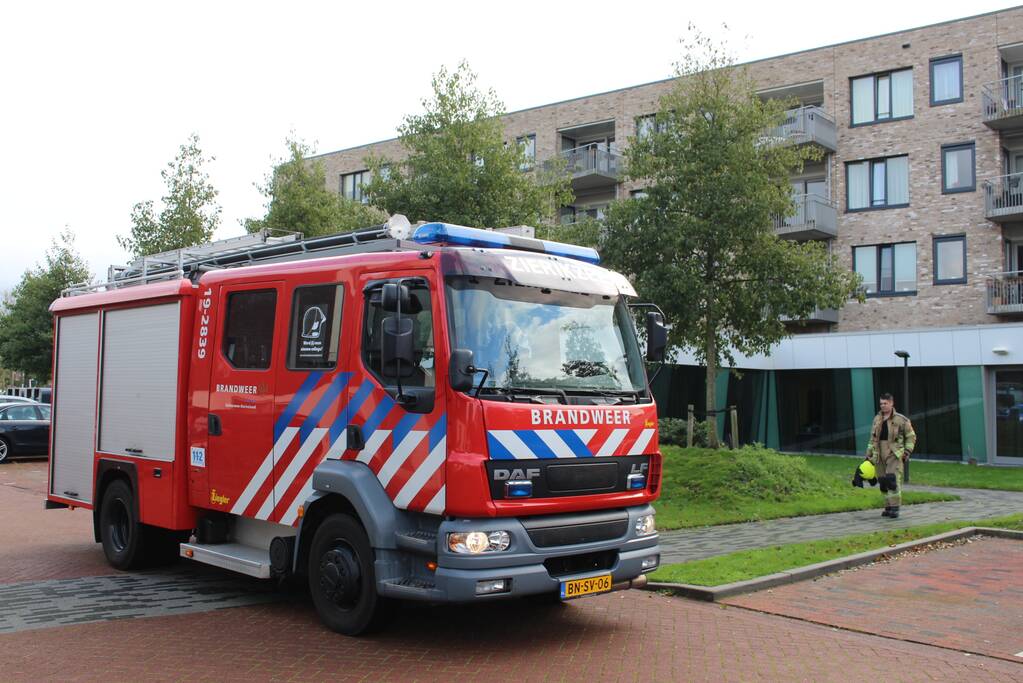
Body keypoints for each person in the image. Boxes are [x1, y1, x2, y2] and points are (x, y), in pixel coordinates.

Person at [866, 392, 916, 519]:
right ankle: (888, 506)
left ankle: (895, 507)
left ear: (892, 403)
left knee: (892, 479)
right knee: (882, 481)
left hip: (894, 452)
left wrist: (907, 452)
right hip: (878, 452)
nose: (882, 406)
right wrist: (868, 455)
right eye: (881, 403)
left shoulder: (901, 419)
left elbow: (911, 437)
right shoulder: (877, 419)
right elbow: (872, 438)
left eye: (885, 403)